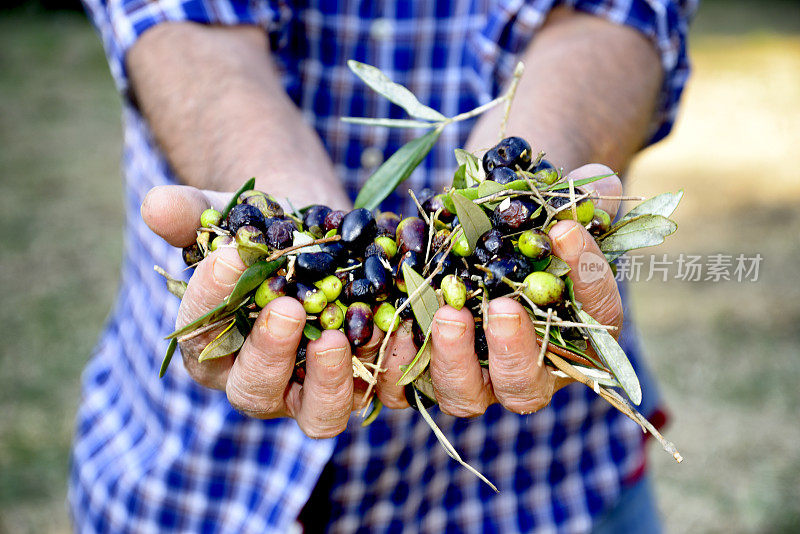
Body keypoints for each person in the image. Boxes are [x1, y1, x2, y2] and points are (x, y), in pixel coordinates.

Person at [71, 0, 695, 532]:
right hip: (194, 480)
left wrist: (531, 198)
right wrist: (275, 215)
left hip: (541, 488)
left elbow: (614, 16)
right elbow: (182, 24)